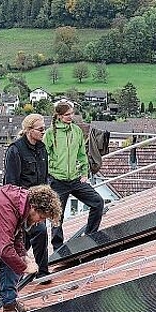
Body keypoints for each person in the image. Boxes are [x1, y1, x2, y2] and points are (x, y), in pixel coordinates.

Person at [44, 102, 104, 250]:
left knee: (98, 202)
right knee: (57, 216)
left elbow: (82, 154)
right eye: (67, 114)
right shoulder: (51, 133)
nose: (71, 116)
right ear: (58, 116)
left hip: (76, 179)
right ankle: (58, 248)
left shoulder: (76, 131)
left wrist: (84, 173)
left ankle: (90, 235)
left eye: (72, 113)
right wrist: (48, 176)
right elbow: (43, 156)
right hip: (58, 181)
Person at [4, 114, 51, 283]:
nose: (43, 131)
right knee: (32, 236)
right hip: (22, 204)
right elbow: (10, 183)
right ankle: (36, 272)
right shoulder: (15, 150)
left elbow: (44, 177)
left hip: (39, 204)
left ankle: (39, 272)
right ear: (29, 131)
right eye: (40, 129)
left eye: (44, 128)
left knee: (33, 238)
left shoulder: (42, 148)